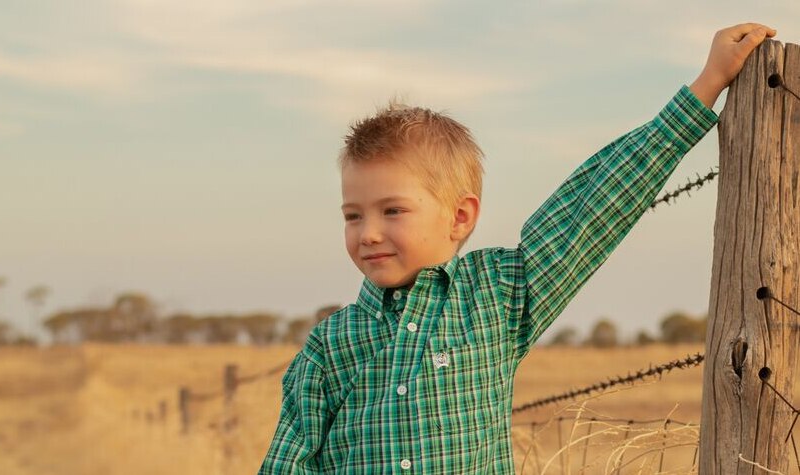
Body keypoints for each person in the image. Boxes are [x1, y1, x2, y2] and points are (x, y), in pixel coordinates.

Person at [260, 23, 777, 473]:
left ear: (459, 217)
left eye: (392, 211)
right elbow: (289, 461)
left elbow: (590, 210)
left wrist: (705, 87)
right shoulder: (331, 346)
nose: (367, 232)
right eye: (353, 216)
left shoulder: (498, 295)